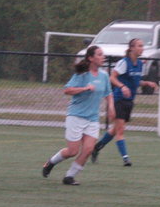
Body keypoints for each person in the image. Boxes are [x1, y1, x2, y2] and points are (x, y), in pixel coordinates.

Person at [42, 45, 115, 186]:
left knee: (88, 150)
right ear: (91, 58)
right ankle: (50, 163)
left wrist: (111, 107)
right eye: (99, 54)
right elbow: (67, 90)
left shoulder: (104, 75)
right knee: (72, 151)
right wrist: (85, 88)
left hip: (93, 119)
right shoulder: (82, 74)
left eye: (103, 54)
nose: (103, 57)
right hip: (76, 116)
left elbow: (109, 94)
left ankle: (69, 177)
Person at [90, 38, 158, 166]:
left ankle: (96, 148)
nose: (142, 48)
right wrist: (122, 86)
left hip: (129, 101)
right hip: (119, 99)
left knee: (115, 129)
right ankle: (126, 158)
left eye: (142, 46)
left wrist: (146, 83)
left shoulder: (140, 64)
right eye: (139, 46)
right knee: (120, 131)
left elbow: (135, 81)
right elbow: (112, 77)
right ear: (131, 48)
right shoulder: (124, 62)